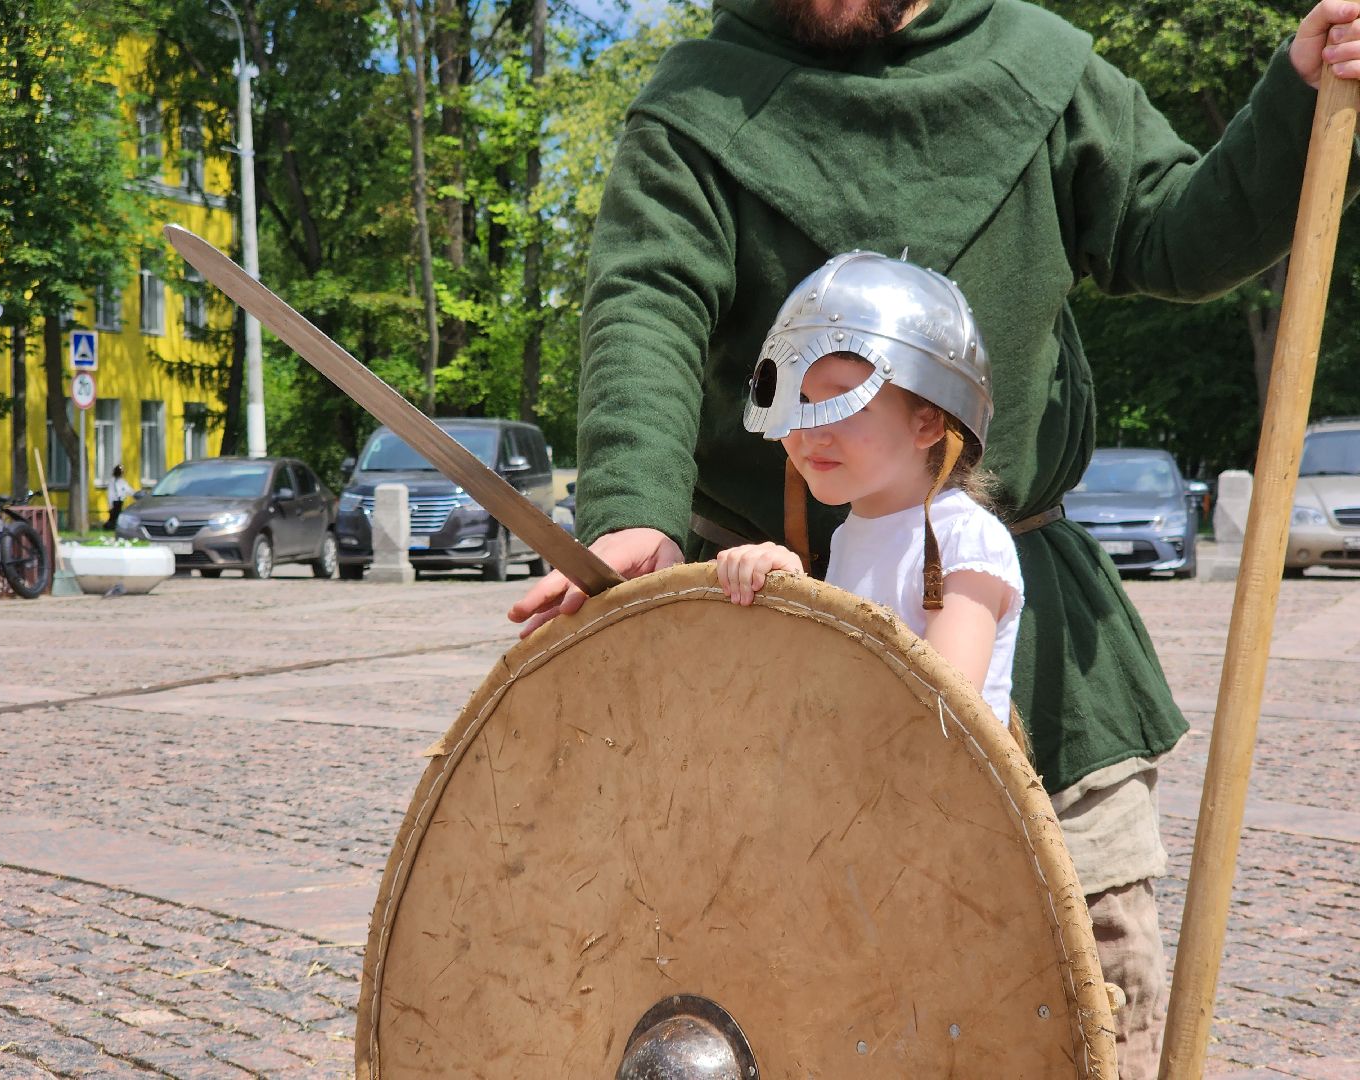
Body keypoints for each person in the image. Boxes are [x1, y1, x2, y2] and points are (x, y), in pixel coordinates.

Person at [509, 1, 1360, 1074]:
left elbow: (1175, 230)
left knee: (1085, 993)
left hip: (1041, 658)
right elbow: (647, 301)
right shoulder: (696, 104)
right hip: (777, 647)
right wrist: (634, 516)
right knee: (771, 1000)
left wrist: (1297, 96)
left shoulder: (1038, 68)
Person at [716, 251, 1025, 736]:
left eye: (841, 402)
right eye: (798, 400)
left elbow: (940, 716)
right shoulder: (850, 535)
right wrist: (781, 596)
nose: (809, 431)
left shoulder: (967, 538)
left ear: (927, 422)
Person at [104, 464, 134, 531]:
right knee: (113, 516)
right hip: (114, 501)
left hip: (120, 500)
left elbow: (128, 489)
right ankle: (108, 527)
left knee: (117, 515)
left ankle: (113, 527)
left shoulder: (122, 481)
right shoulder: (112, 481)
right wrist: (110, 504)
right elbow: (110, 493)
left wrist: (134, 494)